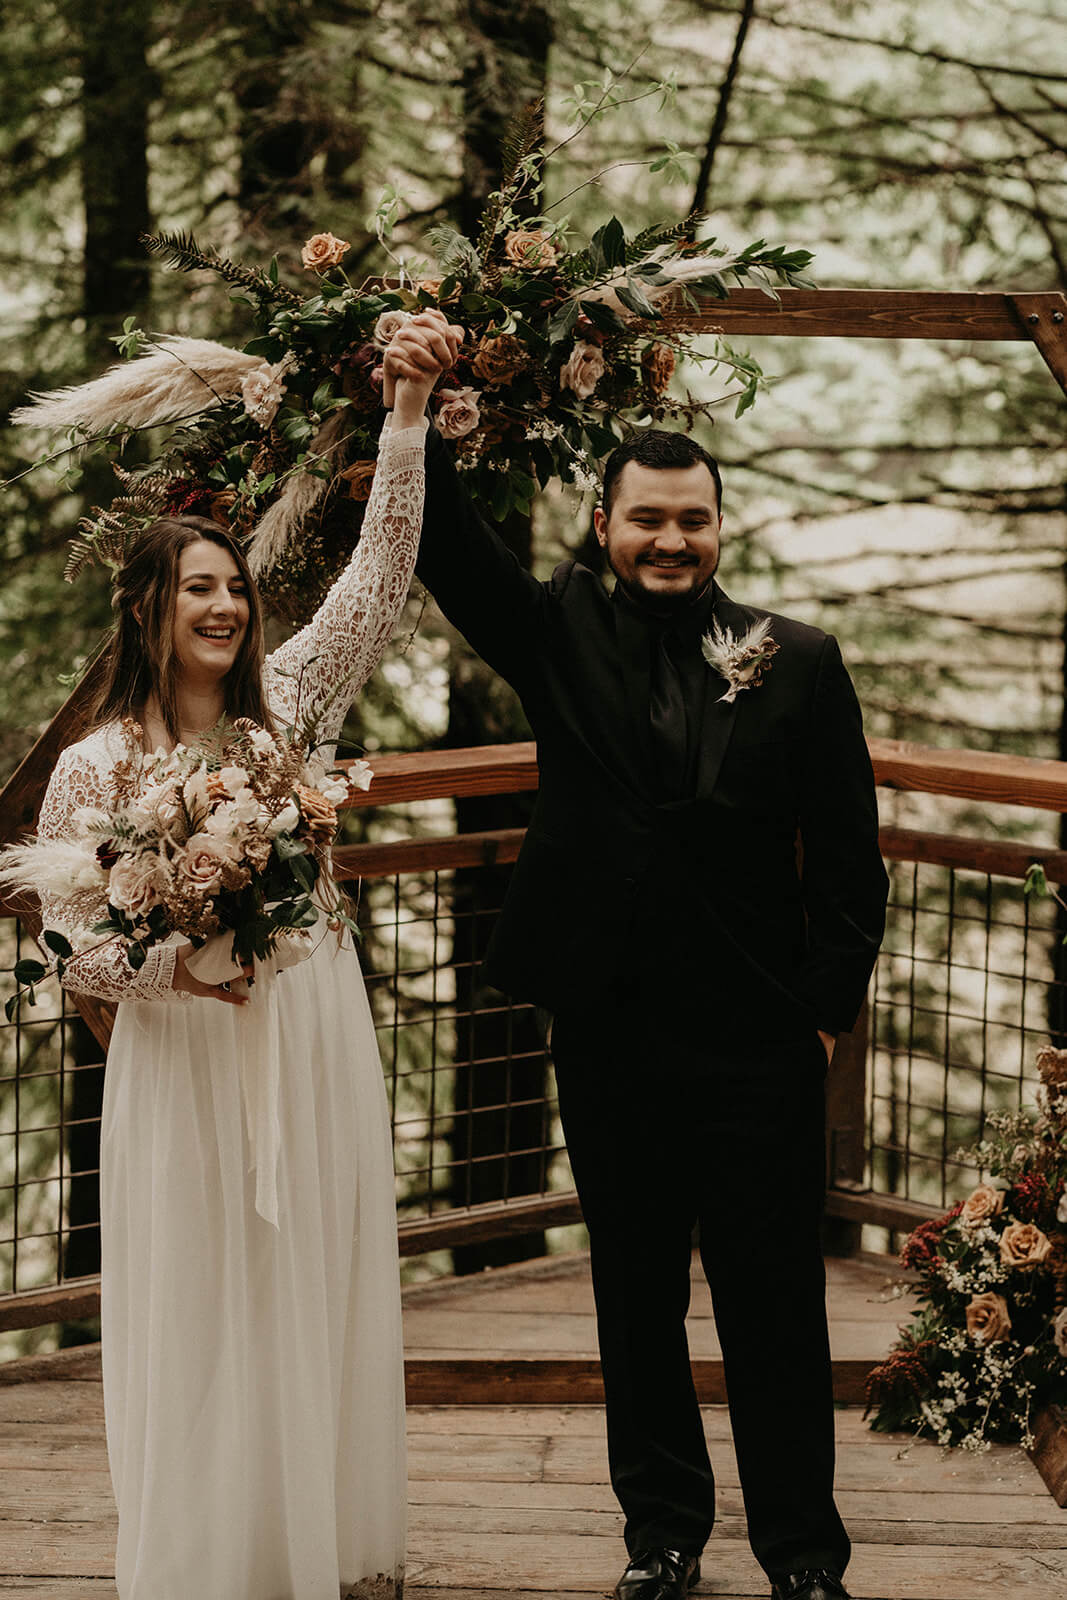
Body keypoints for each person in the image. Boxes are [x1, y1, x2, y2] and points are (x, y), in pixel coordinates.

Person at [385, 312, 889, 1600]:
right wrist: (411, 411)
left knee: (776, 1309)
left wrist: (820, 1017)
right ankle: (660, 1537)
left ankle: (801, 1555)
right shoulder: (557, 637)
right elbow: (448, 550)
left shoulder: (798, 663)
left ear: (721, 530)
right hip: (610, 1036)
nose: (670, 540)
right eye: (645, 520)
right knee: (634, 1306)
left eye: (692, 521)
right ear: (604, 527)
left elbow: (847, 862)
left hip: (759, 1043)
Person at [24, 357, 447, 1600]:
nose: (226, 607)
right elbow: (68, 947)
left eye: (235, 589)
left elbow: (376, 581)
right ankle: (207, 1554)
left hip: (306, 1023)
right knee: (197, 1289)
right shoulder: (93, 769)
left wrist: (406, 421)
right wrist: (173, 966)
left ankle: (303, 1539)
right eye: (198, 588)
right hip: (184, 1049)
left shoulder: (289, 707)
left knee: (306, 1272)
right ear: (147, 606)